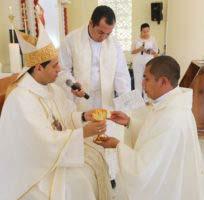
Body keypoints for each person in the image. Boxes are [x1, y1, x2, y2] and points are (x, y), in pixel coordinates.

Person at [0, 21, 109, 200]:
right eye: (55, 65)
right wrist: (82, 133)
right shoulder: (21, 99)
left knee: (97, 153)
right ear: (38, 67)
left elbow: (64, 117)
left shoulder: (50, 88)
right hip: (35, 168)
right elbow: (40, 143)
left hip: (53, 153)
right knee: (80, 180)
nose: (60, 69)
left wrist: (83, 116)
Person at [96, 56, 204, 200]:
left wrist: (116, 145)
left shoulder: (172, 116)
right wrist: (129, 122)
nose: (142, 83)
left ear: (163, 81)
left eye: (146, 79)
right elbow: (154, 134)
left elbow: (143, 170)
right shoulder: (171, 104)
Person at [58, 5, 131, 111]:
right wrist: (73, 85)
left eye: (108, 34)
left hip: (105, 98)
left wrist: (126, 101)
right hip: (81, 97)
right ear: (91, 23)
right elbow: (63, 69)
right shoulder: (71, 40)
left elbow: (121, 74)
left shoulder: (114, 43)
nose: (104, 37)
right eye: (100, 32)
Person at [131, 23, 158, 96]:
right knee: (138, 80)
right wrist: (140, 49)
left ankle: (147, 99)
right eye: (144, 31)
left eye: (147, 31)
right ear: (141, 31)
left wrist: (150, 51)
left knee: (148, 79)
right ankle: (138, 99)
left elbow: (156, 53)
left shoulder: (153, 39)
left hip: (149, 62)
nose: (146, 33)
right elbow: (132, 51)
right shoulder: (136, 39)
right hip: (138, 62)